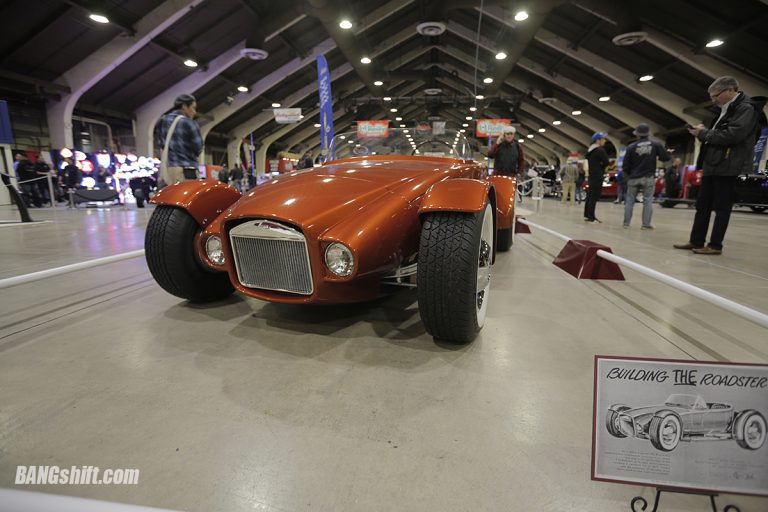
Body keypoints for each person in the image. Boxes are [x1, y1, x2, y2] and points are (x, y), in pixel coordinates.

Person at [674, 76, 764, 255]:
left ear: (731, 90)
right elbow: (719, 135)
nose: (713, 100)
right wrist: (702, 132)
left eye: (716, 96)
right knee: (703, 205)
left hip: (729, 165)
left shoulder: (745, 108)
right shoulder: (725, 109)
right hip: (713, 164)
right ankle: (696, 241)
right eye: (711, 96)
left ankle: (715, 245)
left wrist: (703, 133)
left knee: (722, 208)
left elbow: (732, 136)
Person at [622, 123, 671, 229]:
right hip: (648, 177)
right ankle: (646, 224)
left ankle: (626, 223)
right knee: (647, 201)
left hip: (633, 178)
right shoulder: (655, 144)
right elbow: (665, 158)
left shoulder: (631, 147)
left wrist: (628, 177)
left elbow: (625, 165)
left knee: (629, 200)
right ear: (648, 133)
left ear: (637, 134)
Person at [153, 93, 203, 185]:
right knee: (189, 193)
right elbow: (198, 147)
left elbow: (161, 144)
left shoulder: (162, 121)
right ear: (184, 106)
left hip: (169, 170)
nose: (194, 112)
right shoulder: (189, 122)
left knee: (172, 194)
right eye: (193, 108)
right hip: (187, 170)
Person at [584, 132, 610, 223]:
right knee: (594, 196)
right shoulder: (600, 150)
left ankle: (587, 214)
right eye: (603, 139)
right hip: (598, 175)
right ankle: (591, 217)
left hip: (591, 175)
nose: (605, 141)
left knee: (590, 195)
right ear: (598, 140)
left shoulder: (590, 150)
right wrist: (602, 167)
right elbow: (606, 162)